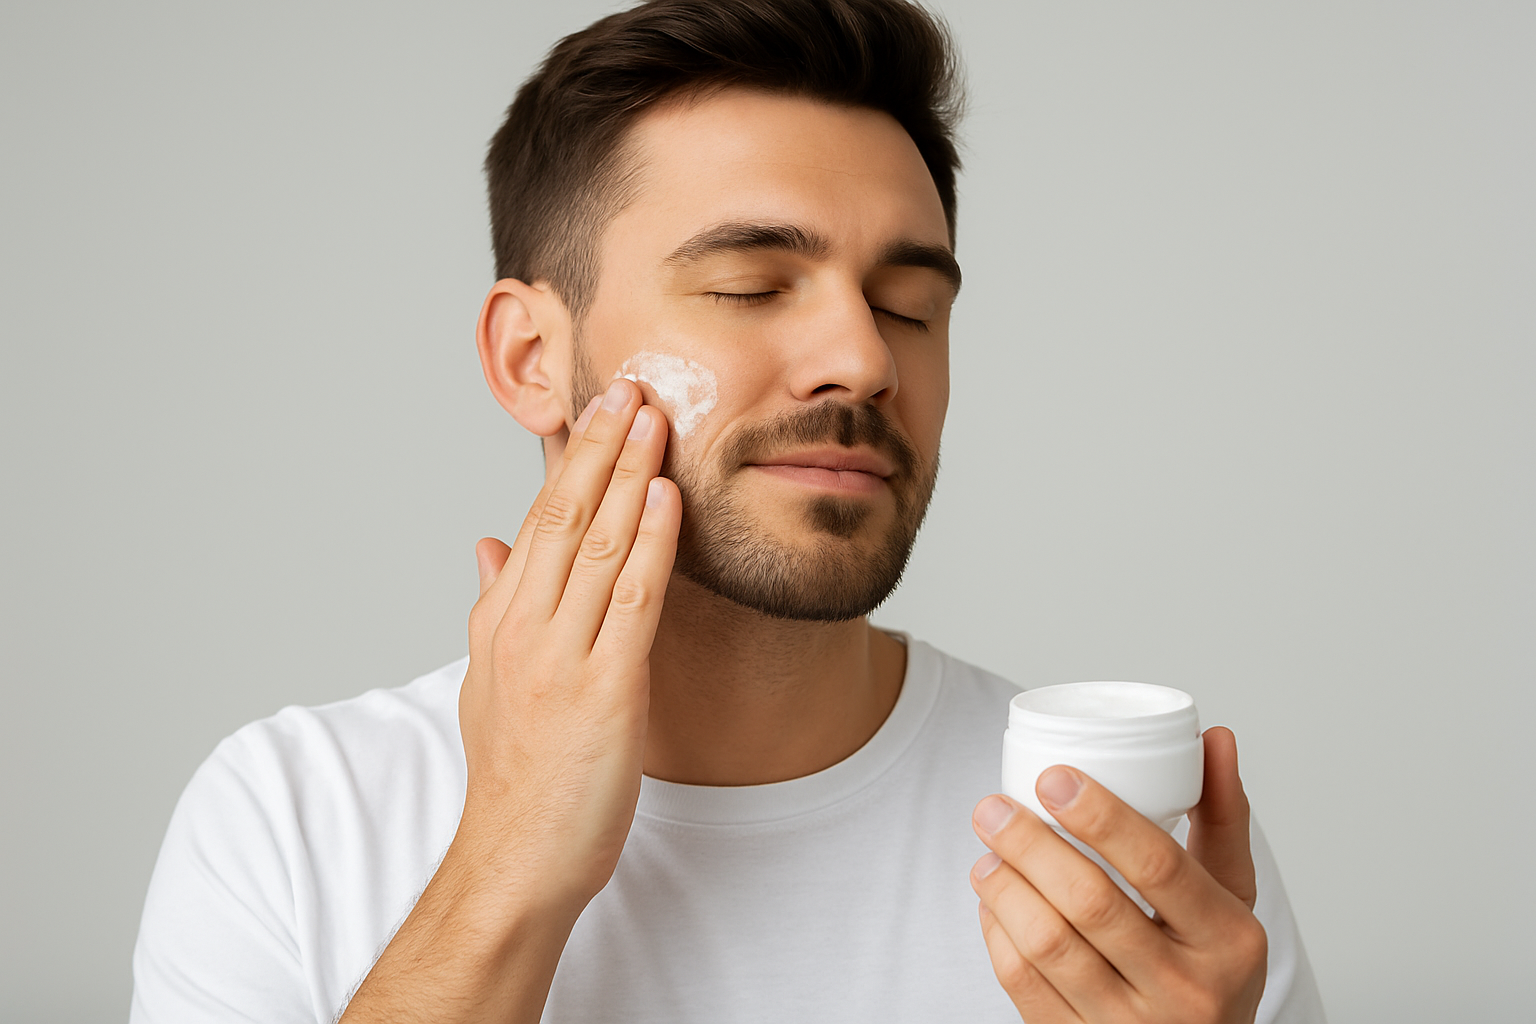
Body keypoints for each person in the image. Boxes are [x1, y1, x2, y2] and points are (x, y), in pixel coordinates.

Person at [131, 1, 1326, 1022]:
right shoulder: (291, 819)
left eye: (908, 306)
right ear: (531, 357)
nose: (863, 360)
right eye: (751, 286)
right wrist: (506, 860)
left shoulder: (1122, 847)